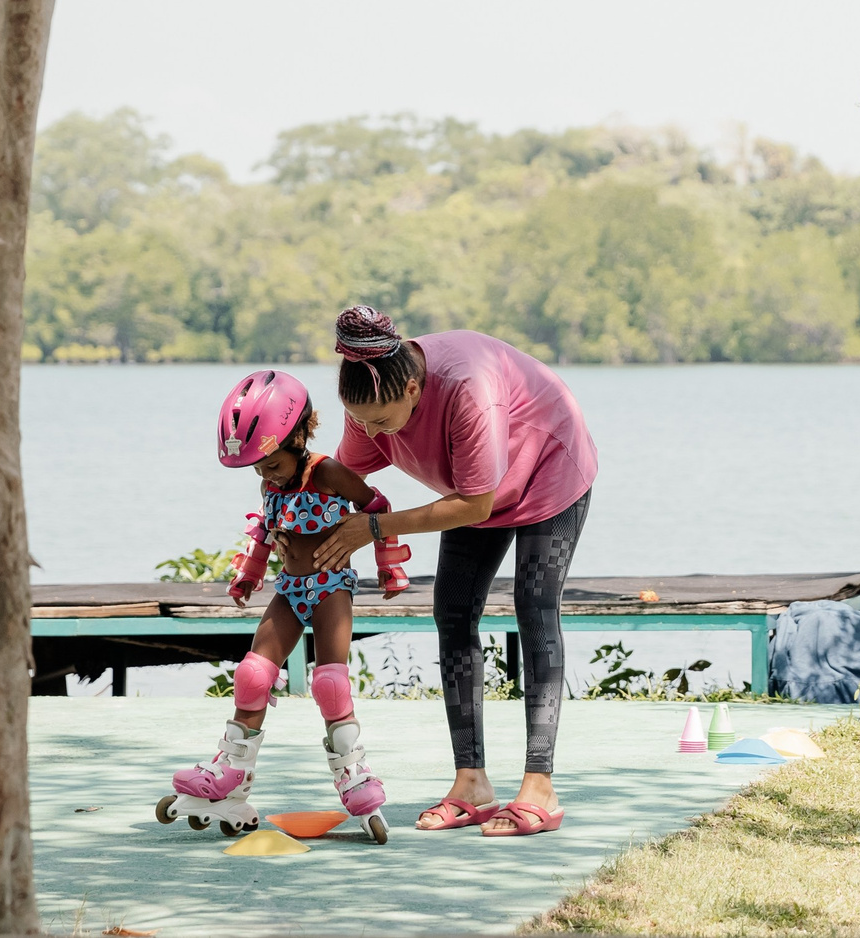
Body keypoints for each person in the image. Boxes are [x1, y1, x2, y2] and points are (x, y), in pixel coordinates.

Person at [293, 305, 598, 838]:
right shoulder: (369, 389)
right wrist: (288, 515)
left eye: (381, 423)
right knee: (453, 613)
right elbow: (345, 477)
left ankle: (539, 785)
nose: (369, 431)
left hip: (548, 464)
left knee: (534, 606)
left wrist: (378, 529)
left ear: (413, 389)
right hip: (473, 487)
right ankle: (472, 782)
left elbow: (476, 505)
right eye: (359, 420)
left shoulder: (467, 388)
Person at [156, 369, 402, 842]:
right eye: (257, 468)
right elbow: (266, 530)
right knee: (252, 675)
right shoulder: (272, 481)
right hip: (290, 588)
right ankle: (232, 773)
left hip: (332, 586)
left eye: (270, 464)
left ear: (299, 436)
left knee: (329, 682)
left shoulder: (328, 472)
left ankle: (354, 775)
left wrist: (388, 566)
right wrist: (249, 573)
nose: (264, 475)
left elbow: (379, 506)